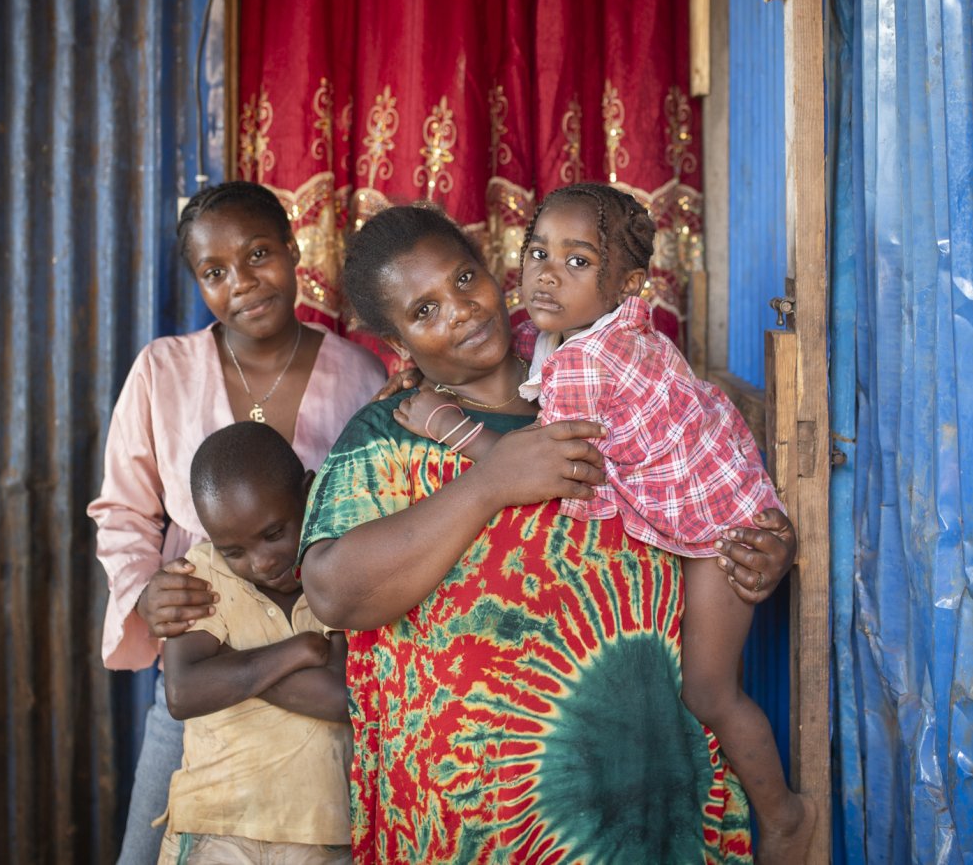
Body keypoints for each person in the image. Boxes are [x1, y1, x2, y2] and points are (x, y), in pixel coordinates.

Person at [298, 204, 799, 864]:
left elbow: (702, 487)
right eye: (423, 312)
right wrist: (489, 482)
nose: (461, 309)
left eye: (463, 280)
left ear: (490, 269)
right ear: (396, 342)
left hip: (647, 803)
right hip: (473, 830)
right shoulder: (392, 431)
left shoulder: (613, 385)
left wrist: (765, 548)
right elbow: (334, 593)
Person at [87, 182, 388, 865]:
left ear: (293, 249)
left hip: (325, 668)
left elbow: (382, 511)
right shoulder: (162, 370)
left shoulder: (360, 375)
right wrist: (141, 588)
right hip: (202, 662)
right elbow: (122, 509)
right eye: (214, 273)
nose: (242, 284)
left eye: (258, 255)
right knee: (153, 849)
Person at [156, 422, 354, 865]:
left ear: (307, 492)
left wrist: (225, 666)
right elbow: (184, 693)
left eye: (273, 534)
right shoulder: (200, 574)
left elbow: (343, 698)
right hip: (214, 828)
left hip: (321, 834)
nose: (262, 562)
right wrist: (299, 650)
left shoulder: (340, 567)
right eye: (235, 552)